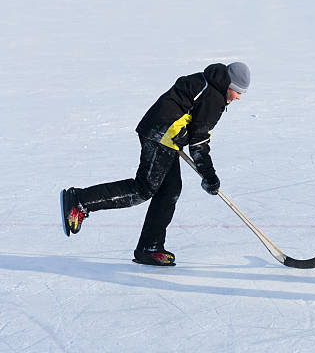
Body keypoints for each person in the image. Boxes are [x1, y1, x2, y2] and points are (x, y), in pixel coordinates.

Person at [60, 62, 251, 266]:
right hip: (161, 135)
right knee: (143, 188)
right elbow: (199, 140)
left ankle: (150, 248)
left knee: (169, 190)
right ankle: (80, 200)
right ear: (228, 84)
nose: (238, 97)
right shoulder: (213, 97)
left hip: (164, 134)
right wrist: (209, 175)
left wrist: (181, 132)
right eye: (237, 91)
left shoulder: (207, 81)